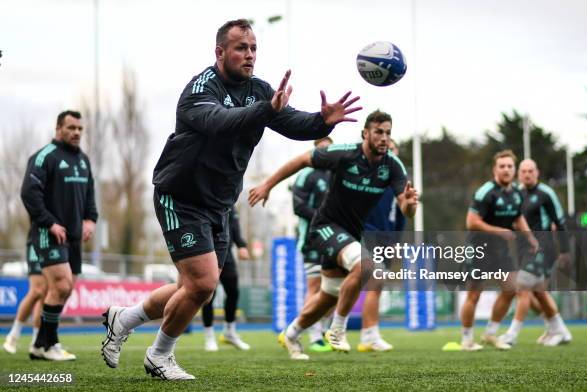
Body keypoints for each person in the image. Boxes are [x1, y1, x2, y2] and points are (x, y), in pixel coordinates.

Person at [100, 18, 361, 380]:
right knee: (203, 284)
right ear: (220, 52)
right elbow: (220, 121)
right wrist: (267, 109)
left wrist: (322, 121)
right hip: (181, 197)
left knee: (191, 288)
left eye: (253, 48)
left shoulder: (259, 90)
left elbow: (292, 121)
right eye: (241, 48)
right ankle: (159, 357)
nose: (250, 54)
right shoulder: (199, 89)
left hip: (219, 204)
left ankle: (123, 318)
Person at [249, 109, 418, 360]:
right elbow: (302, 160)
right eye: (378, 132)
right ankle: (336, 330)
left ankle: (292, 334)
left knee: (329, 295)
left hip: (350, 233)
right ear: (365, 134)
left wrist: (410, 206)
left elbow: (405, 205)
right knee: (365, 267)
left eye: (388, 133)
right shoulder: (346, 153)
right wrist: (267, 185)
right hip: (325, 226)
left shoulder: (392, 165)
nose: (384, 138)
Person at [20, 110, 98, 361]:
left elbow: (89, 195)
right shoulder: (44, 157)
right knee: (61, 285)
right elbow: (29, 194)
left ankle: (39, 344)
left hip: (74, 237)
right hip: (48, 234)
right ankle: (50, 344)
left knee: (66, 290)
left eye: (80, 129)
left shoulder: (83, 160)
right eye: (71, 128)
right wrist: (50, 223)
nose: (76, 132)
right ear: (58, 129)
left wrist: (90, 219)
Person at [460, 149, 538, 351]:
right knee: (474, 295)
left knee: (511, 289)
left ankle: (490, 334)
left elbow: (518, 218)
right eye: (502, 166)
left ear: (514, 170)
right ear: (495, 169)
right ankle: (467, 339)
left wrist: (530, 237)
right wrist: (500, 231)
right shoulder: (486, 192)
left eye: (510, 166)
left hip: (501, 250)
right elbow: (471, 222)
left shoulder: (517, 194)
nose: (506, 170)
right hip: (478, 248)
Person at [498, 159, 572, 346]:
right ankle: (560, 330)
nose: (527, 174)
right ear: (519, 173)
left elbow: (560, 222)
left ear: (537, 172)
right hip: (523, 250)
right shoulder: (515, 194)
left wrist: (565, 250)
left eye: (531, 170)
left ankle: (512, 335)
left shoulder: (546, 193)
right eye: (523, 171)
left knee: (522, 286)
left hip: (543, 248)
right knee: (539, 293)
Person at [358, 139, 405, 353]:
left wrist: (396, 240)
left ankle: (369, 334)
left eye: (395, 151)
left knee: (377, 286)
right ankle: (369, 335)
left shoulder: (400, 184)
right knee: (374, 284)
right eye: (389, 151)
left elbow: (401, 215)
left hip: (387, 240)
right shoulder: (370, 177)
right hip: (369, 235)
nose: (392, 154)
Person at [292, 136, 333, 353]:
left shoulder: (336, 174)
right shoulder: (306, 173)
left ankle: (325, 330)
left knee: (337, 288)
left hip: (335, 239)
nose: (326, 153)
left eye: (329, 148)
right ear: (315, 150)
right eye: (322, 149)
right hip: (312, 239)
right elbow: (297, 205)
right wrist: (321, 218)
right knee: (315, 287)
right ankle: (314, 335)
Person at [202, 206, 251, 352]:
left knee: (233, 292)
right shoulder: (204, 195)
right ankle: (209, 336)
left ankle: (229, 331)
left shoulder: (228, 200)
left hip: (226, 252)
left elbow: (234, 225)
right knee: (208, 294)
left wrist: (241, 245)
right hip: (206, 251)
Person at [2, 241, 46, 355]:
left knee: (45, 295)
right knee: (37, 290)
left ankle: (36, 342)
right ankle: (13, 336)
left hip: (55, 244)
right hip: (38, 241)